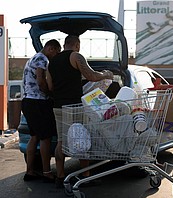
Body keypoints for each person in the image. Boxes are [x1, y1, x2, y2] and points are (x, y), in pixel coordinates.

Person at [47, 35, 113, 188]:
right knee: (81, 137)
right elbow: (91, 76)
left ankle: (60, 176)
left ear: (64, 45)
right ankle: (85, 176)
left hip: (58, 106)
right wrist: (106, 75)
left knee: (61, 141)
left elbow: (50, 86)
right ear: (76, 45)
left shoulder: (52, 62)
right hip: (74, 106)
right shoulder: (75, 56)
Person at [22, 39, 61, 182]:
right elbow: (40, 80)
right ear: (51, 48)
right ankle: (47, 173)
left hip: (27, 102)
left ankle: (30, 171)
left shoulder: (32, 58)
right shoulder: (42, 59)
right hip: (38, 102)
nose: (55, 56)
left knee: (34, 137)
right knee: (46, 137)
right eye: (56, 52)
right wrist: (50, 94)